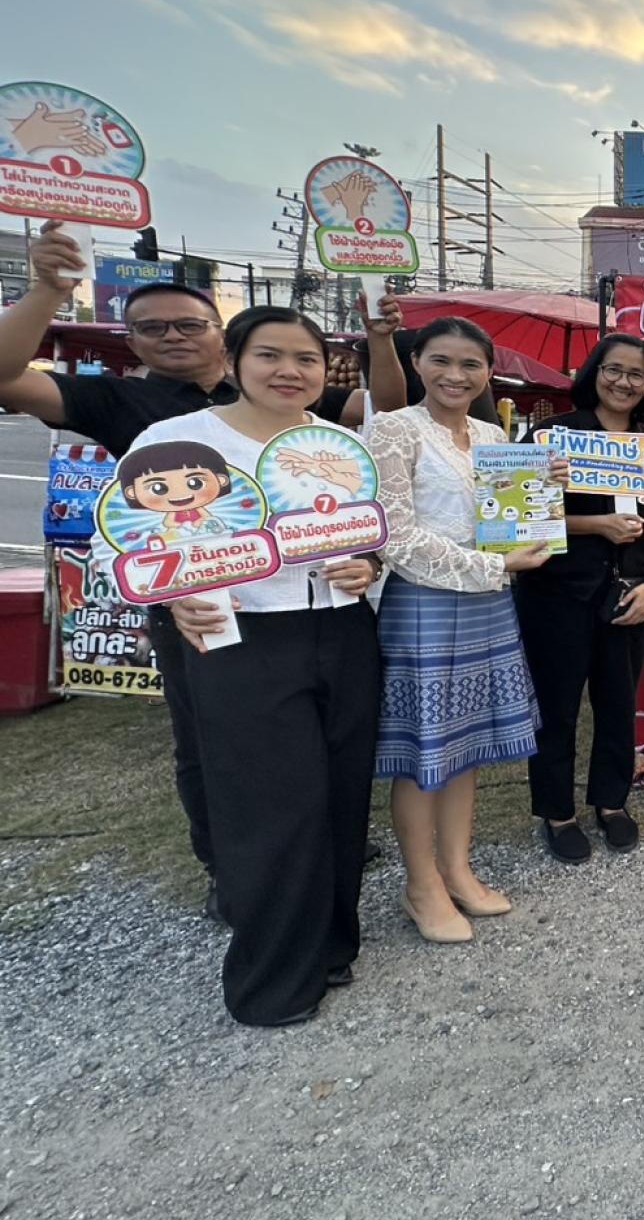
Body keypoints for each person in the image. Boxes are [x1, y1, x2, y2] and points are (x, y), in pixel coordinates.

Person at [0, 221, 405, 922]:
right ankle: (233, 869)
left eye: (190, 324)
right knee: (220, 756)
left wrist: (366, 561)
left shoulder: (323, 433)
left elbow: (368, 501)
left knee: (329, 764)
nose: (174, 337)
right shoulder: (137, 415)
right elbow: (114, 534)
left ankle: (320, 894)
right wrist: (45, 291)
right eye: (153, 329)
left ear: (220, 337)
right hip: (208, 617)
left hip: (327, 623)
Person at [100, 307, 382, 1026]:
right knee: (270, 807)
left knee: (342, 797)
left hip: (344, 632)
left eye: (307, 359)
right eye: (271, 355)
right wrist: (174, 596)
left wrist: (367, 565)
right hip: (241, 639)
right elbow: (120, 544)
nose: (290, 371)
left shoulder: (339, 445)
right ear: (234, 361)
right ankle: (272, 983)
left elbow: (374, 531)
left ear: (326, 373)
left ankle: (330, 944)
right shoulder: (177, 440)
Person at [369, 318, 553, 944]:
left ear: (488, 370)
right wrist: (497, 563)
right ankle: (421, 884)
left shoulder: (492, 434)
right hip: (423, 603)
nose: (456, 375)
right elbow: (394, 537)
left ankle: (457, 869)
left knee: (465, 746)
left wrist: (535, 524)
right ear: (416, 361)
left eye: (471, 364)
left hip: (488, 601)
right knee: (426, 748)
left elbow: (513, 520)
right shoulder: (393, 430)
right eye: (441, 361)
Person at [515, 335, 644, 864]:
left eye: (637, 375)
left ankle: (612, 802)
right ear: (594, 372)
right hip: (557, 594)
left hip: (631, 592)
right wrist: (595, 525)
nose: (624, 382)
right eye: (614, 370)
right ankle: (556, 812)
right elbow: (516, 517)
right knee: (557, 707)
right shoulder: (551, 436)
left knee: (618, 704)